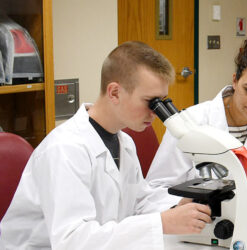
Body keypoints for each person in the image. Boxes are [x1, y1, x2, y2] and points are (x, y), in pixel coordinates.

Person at [0, 41, 211, 250]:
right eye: (150, 102)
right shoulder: (64, 149)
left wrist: (177, 207)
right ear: (114, 93)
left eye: (162, 102)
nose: (156, 112)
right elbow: (72, 241)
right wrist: (162, 223)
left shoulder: (124, 142)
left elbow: (139, 201)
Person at [146, 35, 247, 204]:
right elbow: (156, 188)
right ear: (235, 81)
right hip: (198, 220)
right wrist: (183, 205)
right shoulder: (191, 121)